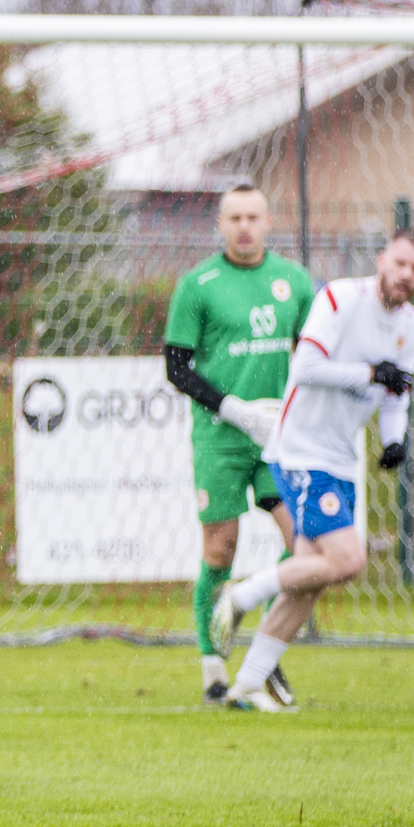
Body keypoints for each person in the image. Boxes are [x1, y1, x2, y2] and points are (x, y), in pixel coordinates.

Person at [212, 229, 414, 711]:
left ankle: (246, 686)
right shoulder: (339, 299)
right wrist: (371, 373)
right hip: (301, 450)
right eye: (401, 264)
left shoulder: (411, 325)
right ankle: (241, 595)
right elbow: (306, 368)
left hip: (339, 456)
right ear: (382, 260)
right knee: (348, 560)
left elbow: (399, 392)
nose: (407, 276)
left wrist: (393, 440)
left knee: (311, 579)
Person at [164, 183, 315, 705]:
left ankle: (266, 660)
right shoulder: (198, 285)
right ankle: (212, 668)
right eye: (235, 218)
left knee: (303, 545)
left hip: (279, 441)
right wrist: (234, 409)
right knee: (219, 550)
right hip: (220, 438)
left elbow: (315, 356)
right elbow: (176, 367)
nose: (244, 226)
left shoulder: (294, 282)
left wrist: (292, 414)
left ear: (269, 221)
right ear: (221, 225)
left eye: (253, 216)